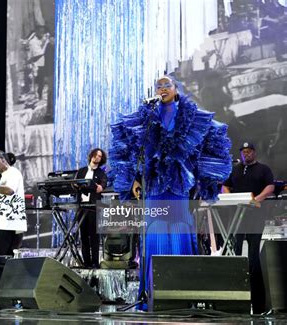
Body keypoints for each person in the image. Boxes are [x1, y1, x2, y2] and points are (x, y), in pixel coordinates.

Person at [110, 75, 232, 306]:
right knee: (155, 233)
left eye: (167, 85)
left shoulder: (192, 115)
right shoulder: (146, 115)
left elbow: (207, 145)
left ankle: (182, 293)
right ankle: (154, 294)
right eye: (159, 86)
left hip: (178, 184)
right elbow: (130, 149)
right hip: (153, 186)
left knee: (178, 231)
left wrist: (204, 180)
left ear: (177, 89)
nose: (163, 89)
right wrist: (133, 180)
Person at [222, 142, 274, 314]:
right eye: (243, 152)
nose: (246, 155)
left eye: (249, 151)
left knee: (253, 257)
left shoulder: (263, 169)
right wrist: (231, 198)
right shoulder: (235, 169)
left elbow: (270, 187)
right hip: (237, 217)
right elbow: (225, 185)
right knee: (236, 253)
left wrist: (256, 199)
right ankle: (236, 298)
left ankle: (258, 302)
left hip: (256, 217)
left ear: (254, 152)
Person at [75, 148, 108, 268]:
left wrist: (99, 187)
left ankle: (95, 262)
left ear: (101, 159)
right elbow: (75, 184)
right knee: (83, 236)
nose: (97, 157)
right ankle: (86, 262)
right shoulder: (81, 171)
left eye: (99, 156)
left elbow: (101, 187)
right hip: (82, 207)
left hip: (94, 208)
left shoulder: (101, 174)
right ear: (91, 156)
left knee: (94, 236)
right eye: (95, 155)